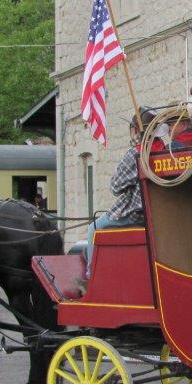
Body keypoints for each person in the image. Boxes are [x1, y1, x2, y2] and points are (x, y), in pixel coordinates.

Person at [82, 109, 153, 279]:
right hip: (153, 214)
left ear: (136, 129)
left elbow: (115, 187)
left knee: (93, 229)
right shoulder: (163, 150)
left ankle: (92, 276)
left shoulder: (136, 153)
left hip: (134, 215)